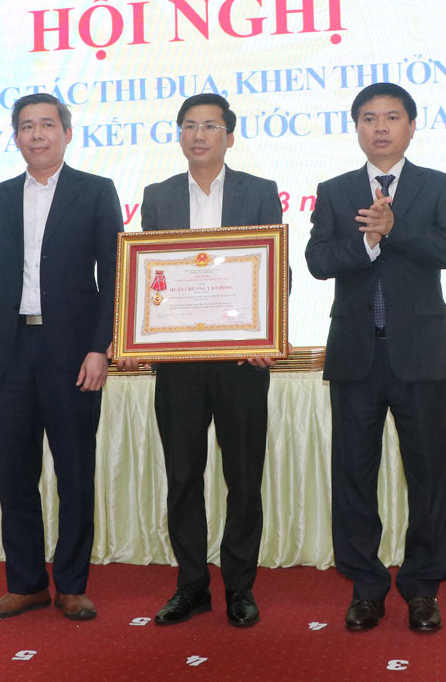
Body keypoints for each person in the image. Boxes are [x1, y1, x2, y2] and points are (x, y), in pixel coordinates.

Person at [304, 82, 446, 633]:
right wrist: (367, 243)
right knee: (353, 476)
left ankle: (423, 589)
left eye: (392, 117)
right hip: (355, 354)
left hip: (420, 354)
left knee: (429, 476)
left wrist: (395, 231)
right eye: (369, 118)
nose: (380, 127)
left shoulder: (438, 186)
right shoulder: (334, 191)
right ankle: (366, 589)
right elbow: (318, 261)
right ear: (356, 127)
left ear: (411, 126)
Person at [120, 92, 283, 628]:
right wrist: (136, 336)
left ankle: (239, 586)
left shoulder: (259, 192)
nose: (198, 135)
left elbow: (275, 268)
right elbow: (150, 275)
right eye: (189, 125)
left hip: (242, 363)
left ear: (229, 137)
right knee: (183, 476)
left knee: (244, 478)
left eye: (210, 126)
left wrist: (266, 333)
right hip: (179, 364)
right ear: (179, 135)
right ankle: (191, 584)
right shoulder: (159, 196)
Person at [0, 92, 123, 622]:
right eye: (27, 126)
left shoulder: (96, 191)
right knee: (15, 476)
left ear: (67, 133)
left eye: (48, 124)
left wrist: (101, 348)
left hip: (73, 354)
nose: (37, 134)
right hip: (8, 352)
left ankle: (72, 585)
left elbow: (114, 277)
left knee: (75, 474)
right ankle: (26, 583)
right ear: (15, 137)